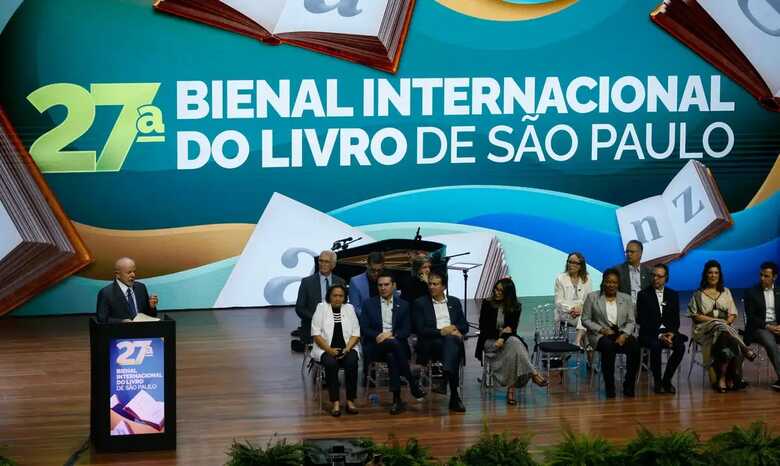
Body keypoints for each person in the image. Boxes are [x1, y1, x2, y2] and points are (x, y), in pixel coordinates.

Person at [359, 272, 426, 414]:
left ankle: (397, 400)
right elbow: (364, 328)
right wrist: (379, 335)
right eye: (380, 285)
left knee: (391, 353)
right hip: (375, 346)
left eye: (386, 285)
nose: (383, 288)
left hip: (396, 346)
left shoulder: (404, 305)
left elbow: (407, 329)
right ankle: (412, 383)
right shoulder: (368, 304)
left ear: (394, 286)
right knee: (393, 345)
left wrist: (391, 335)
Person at [475, 277, 548, 405]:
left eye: (501, 291)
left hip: (507, 341)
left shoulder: (516, 307)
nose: (497, 293)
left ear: (508, 294)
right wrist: (502, 334)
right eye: (496, 289)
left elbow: (512, 329)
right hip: (489, 341)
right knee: (516, 346)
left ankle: (513, 389)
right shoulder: (487, 303)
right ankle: (533, 374)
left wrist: (503, 337)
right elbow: (484, 328)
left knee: (514, 347)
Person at [688, 260, 757, 393]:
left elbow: (732, 314)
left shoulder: (726, 291)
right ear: (705, 275)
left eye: (716, 273)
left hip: (724, 332)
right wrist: (717, 320)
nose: (713, 275)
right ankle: (744, 350)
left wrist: (724, 322)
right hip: (704, 330)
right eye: (710, 273)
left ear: (719, 275)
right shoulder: (698, 294)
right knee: (719, 324)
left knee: (725, 334)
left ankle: (723, 377)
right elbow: (696, 316)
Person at [413, 272, 468, 412]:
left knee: (451, 342)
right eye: (430, 284)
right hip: (432, 343)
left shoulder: (454, 302)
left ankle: (446, 374)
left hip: (450, 343)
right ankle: (454, 396)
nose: (431, 287)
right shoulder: (420, 303)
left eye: (435, 284)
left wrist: (454, 327)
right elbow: (420, 329)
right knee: (451, 344)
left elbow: (465, 326)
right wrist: (441, 332)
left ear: (443, 286)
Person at [582, 268, 640, 398]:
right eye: (608, 282)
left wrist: (624, 335)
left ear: (618, 284)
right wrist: (601, 329)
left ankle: (629, 385)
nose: (611, 285)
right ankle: (610, 387)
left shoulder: (626, 298)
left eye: (614, 282)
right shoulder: (592, 297)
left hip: (621, 333)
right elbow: (585, 319)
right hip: (600, 334)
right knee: (608, 347)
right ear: (603, 282)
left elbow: (631, 321)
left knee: (635, 347)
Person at [636, 263, 687, 394]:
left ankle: (667, 380)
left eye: (659, 276)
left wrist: (671, 334)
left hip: (668, 332)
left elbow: (676, 320)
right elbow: (642, 320)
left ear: (666, 278)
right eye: (653, 275)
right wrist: (660, 336)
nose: (655, 279)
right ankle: (657, 382)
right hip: (649, 334)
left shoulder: (673, 295)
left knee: (680, 347)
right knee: (656, 346)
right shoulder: (643, 295)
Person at [311, 284, 360, 417]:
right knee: (331, 364)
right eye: (335, 295)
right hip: (325, 348)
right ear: (329, 296)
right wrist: (329, 350)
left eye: (341, 296)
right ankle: (336, 402)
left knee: (352, 362)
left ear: (344, 297)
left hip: (347, 348)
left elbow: (356, 332)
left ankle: (350, 401)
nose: (338, 298)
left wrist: (347, 349)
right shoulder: (321, 308)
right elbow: (316, 333)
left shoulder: (349, 308)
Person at [743, 261, 780, 391]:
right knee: (770, 342)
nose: (762, 278)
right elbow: (751, 317)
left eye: (766, 276)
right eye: (761, 275)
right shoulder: (751, 292)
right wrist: (768, 326)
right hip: (759, 327)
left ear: (774, 277)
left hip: (777, 325)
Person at [295, 250, 345, 345]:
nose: (322, 264)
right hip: (313, 327)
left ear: (333, 265)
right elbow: (299, 308)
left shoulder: (340, 282)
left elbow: (344, 306)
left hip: (336, 326)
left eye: (326, 262)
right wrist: (317, 318)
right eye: (320, 261)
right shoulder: (307, 282)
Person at [96, 257, 158, 323]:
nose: (133, 275)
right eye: (129, 272)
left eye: (134, 271)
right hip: (120, 331)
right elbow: (102, 319)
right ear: (117, 274)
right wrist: (121, 322)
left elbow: (150, 315)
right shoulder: (106, 293)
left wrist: (152, 307)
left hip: (142, 331)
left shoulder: (141, 288)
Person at [554, 252, 592, 347]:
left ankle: (579, 342)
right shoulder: (561, 279)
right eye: (569, 262)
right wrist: (571, 309)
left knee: (584, 318)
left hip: (581, 312)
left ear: (581, 265)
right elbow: (558, 302)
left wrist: (581, 309)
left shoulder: (586, 279)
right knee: (584, 319)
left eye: (575, 263)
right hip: (565, 313)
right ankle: (580, 342)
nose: (571, 265)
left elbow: (588, 299)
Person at [615, 240, 653, 304]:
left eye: (632, 252)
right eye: (627, 252)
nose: (628, 254)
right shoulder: (617, 270)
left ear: (640, 253)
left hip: (644, 307)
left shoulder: (649, 272)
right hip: (624, 308)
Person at [348, 252, 385, 317]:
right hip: (365, 323)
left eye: (379, 270)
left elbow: (394, 303)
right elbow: (355, 308)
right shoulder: (355, 282)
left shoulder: (389, 280)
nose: (376, 273)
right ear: (367, 265)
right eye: (373, 270)